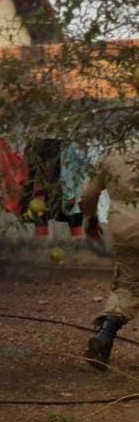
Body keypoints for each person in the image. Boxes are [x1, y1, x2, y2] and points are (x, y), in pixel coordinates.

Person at [80, 145, 138, 370]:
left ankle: (104, 335)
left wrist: (90, 219)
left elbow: (88, 194)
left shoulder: (114, 151)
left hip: (123, 228)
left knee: (127, 285)